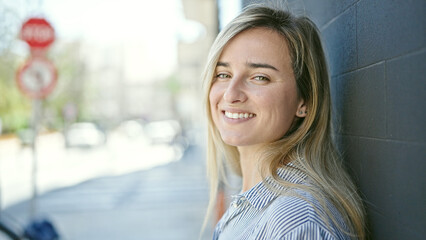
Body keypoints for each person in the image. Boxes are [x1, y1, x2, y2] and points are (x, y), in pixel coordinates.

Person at [202, 4, 366, 240]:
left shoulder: (296, 222)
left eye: (260, 77)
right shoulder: (254, 202)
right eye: (223, 75)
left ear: (304, 101)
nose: (230, 94)